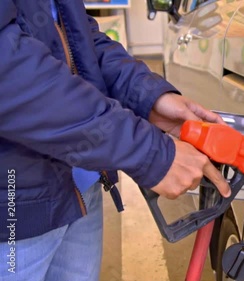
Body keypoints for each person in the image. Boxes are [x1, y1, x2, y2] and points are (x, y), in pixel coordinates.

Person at [0, 1, 231, 280]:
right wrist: (147, 152)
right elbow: (10, 74)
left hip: (81, 188)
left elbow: (79, 38)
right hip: (14, 211)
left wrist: (150, 97)